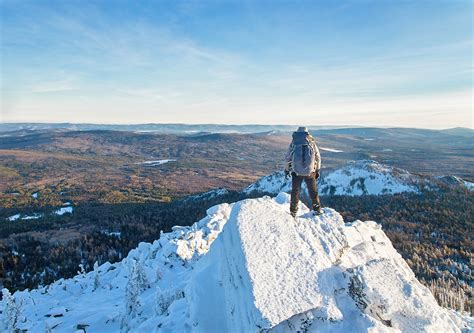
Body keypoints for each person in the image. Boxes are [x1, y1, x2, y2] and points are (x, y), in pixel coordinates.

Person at [284, 127, 322, 217]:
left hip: (296, 172)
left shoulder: (294, 143)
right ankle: (317, 209)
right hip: (310, 172)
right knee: (313, 191)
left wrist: (287, 170)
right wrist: (317, 170)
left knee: (295, 191)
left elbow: (287, 158)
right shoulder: (311, 142)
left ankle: (293, 211)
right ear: (307, 133)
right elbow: (318, 157)